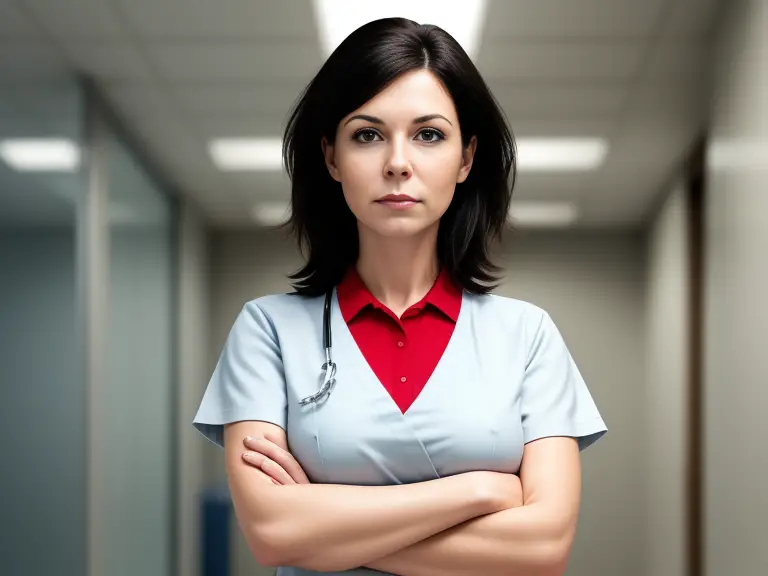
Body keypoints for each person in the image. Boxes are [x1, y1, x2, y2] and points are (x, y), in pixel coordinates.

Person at [193, 17, 607, 576]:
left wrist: (323, 528)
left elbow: (543, 548)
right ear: (332, 157)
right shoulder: (267, 331)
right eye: (367, 134)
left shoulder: (527, 336)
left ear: (466, 158)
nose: (397, 162)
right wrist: (482, 492)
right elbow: (272, 533)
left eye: (428, 134)